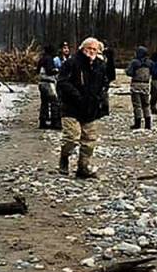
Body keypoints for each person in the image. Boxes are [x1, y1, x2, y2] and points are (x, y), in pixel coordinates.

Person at [56, 37, 109, 179]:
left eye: (94, 49)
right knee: (71, 138)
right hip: (71, 107)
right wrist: (77, 95)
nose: (91, 51)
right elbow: (62, 82)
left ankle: (83, 167)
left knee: (89, 140)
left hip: (91, 108)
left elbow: (104, 83)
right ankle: (64, 157)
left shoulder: (100, 65)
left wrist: (102, 100)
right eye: (89, 48)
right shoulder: (71, 63)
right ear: (82, 48)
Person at [125, 46, 154, 130]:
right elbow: (153, 72)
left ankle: (137, 123)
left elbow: (129, 72)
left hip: (136, 84)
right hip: (146, 85)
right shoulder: (150, 63)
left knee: (137, 105)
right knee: (146, 105)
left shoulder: (135, 62)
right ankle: (148, 124)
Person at [36, 44, 61, 129]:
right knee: (55, 102)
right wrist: (57, 70)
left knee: (44, 103)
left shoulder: (42, 59)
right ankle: (55, 122)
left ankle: (43, 121)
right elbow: (50, 71)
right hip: (49, 82)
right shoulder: (49, 59)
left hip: (41, 83)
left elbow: (37, 70)